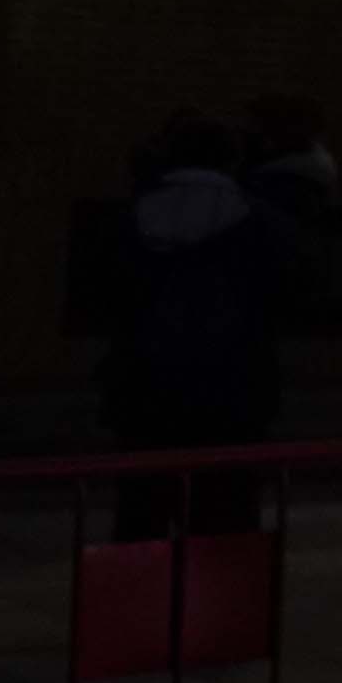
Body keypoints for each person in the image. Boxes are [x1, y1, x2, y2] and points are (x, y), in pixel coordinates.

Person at [99, 113, 290, 541]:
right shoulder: (262, 221)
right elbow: (292, 292)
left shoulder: (130, 217)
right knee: (225, 517)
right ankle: (217, 603)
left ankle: (141, 598)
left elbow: (109, 294)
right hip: (233, 388)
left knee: (141, 513)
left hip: (145, 385)